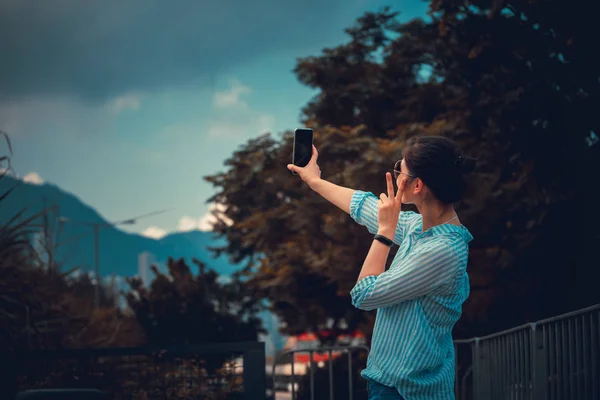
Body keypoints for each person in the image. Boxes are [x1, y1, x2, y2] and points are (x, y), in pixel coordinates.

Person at [287, 135, 476, 400]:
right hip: (393, 384)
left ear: (418, 185)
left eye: (400, 169)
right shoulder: (418, 227)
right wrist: (314, 181)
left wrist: (385, 232)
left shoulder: (441, 251)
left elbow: (364, 295)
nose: (396, 172)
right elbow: (361, 205)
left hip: (408, 391)